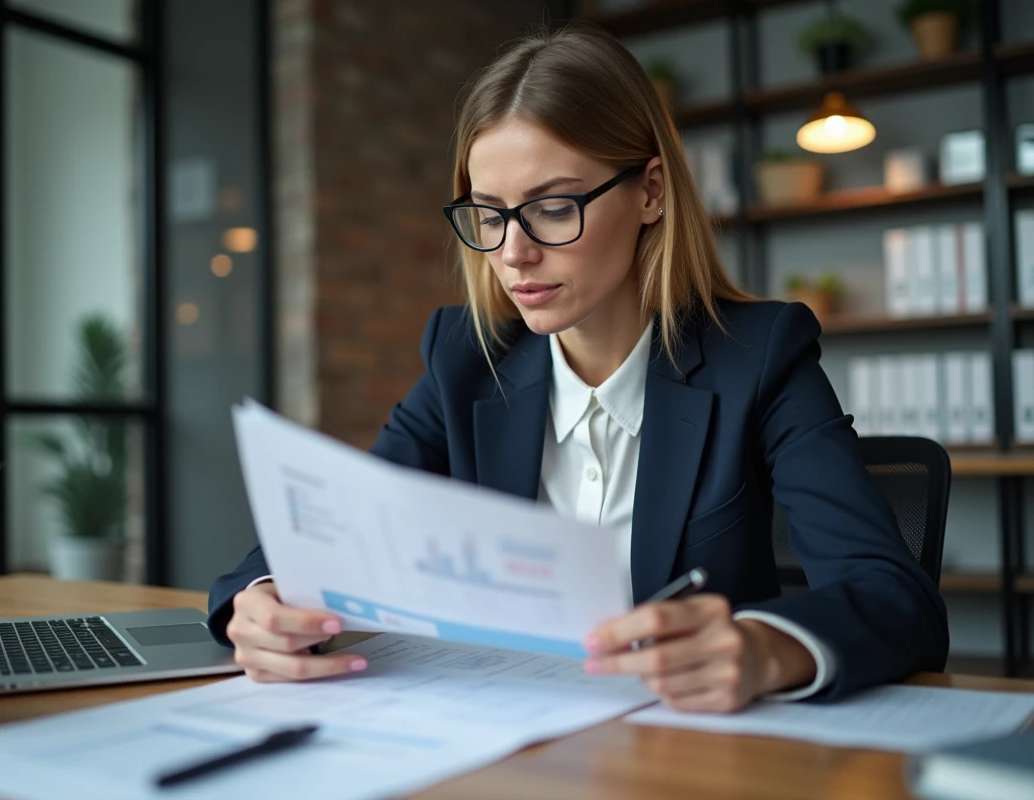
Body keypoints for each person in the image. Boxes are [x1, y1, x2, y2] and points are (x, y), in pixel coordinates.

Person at [207, 22, 948, 712]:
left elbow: (891, 595)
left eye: (554, 208)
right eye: (488, 213)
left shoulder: (758, 358)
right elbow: (340, 526)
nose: (512, 253)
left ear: (650, 191)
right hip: (500, 740)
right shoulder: (468, 361)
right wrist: (263, 597)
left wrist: (766, 647)